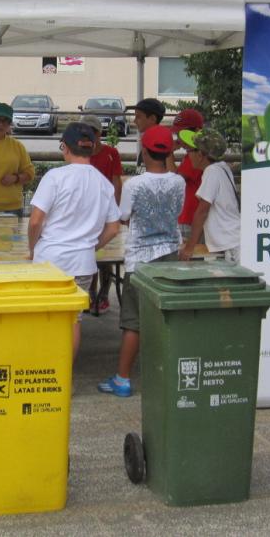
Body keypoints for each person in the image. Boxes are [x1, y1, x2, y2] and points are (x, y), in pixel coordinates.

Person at [98, 125, 184, 397]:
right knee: (165, 318)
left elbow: (123, 216)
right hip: (170, 255)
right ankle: (167, 375)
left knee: (133, 323)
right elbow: (178, 212)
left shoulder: (134, 184)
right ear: (169, 152)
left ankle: (122, 379)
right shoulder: (178, 182)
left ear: (144, 152)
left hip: (139, 261)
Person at [28, 122, 121, 356]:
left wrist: (33, 247)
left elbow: (36, 220)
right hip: (83, 263)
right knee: (73, 319)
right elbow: (113, 228)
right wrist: (91, 246)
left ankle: (45, 370)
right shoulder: (103, 183)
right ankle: (64, 375)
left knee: (45, 316)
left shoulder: (55, 177)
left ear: (65, 148)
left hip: (50, 259)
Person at [80, 114, 123, 313]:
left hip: (105, 211)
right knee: (88, 252)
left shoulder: (111, 152)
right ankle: (89, 291)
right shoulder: (79, 153)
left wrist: (116, 208)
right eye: (85, 131)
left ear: (99, 133)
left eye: (93, 131)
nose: (89, 135)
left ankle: (104, 293)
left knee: (105, 254)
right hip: (84, 212)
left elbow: (116, 181)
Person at [178, 129, 240, 264]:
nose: (188, 155)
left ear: (200, 154)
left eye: (190, 151)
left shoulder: (211, 172)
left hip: (229, 244)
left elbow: (202, 212)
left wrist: (189, 248)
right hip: (233, 240)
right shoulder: (223, 168)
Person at [170, 109, 205, 240]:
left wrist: (168, 152)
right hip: (188, 218)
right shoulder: (191, 154)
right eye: (177, 134)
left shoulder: (196, 155)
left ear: (196, 131)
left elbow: (175, 179)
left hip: (190, 219)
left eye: (182, 133)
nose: (179, 138)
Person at [132, 98, 166, 174]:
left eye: (138, 117)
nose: (134, 121)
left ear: (152, 119)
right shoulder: (147, 143)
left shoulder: (160, 146)